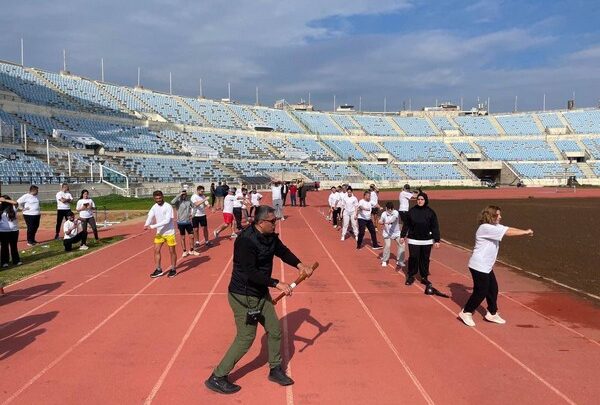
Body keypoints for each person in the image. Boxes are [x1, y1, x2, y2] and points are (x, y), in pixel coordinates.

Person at [205, 205, 315, 394]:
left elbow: (282, 251)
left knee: (274, 330)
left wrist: (299, 265)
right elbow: (250, 272)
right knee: (246, 337)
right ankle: (217, 376)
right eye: (273, 221)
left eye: (276, 220)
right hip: (243, 295)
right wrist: (277, 283)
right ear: (261, 222)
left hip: (260, 293)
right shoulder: (245, 241)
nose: (276, 223)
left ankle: (275, 369)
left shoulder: (270, 236)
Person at [458, 206, 534, 327]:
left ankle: (492, 313)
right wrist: (525, 232)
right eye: (497, 215)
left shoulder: (494, 227)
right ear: (490, 216)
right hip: (479, 265)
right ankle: (466, 312)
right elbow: (508, 233)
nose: (500, 217)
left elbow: (508, 228)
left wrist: (524, 230)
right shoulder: (485, 228)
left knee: (493, 289)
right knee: (481, 291)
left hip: (486, 265)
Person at [400, 191, 440, 286]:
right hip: (414, 240)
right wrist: (402, 236)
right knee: (413, 258)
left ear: (425, 200)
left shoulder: (431, 212)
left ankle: (424, 277)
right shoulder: (412, 211)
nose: (420, 201)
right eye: (418, 199)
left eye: (422, 199)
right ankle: (411, 276)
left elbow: (435, 227)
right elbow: (406, 225)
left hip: (427, 240)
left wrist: (437, 240)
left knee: (425, 259)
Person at [144, 190, 177, 278]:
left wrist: (152, 226)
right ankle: (158, 269)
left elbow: (167, 221)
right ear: (154, 199)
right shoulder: (154, 207)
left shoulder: (168, 206)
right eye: (156, 198)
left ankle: (173, 269)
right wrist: (146, 224)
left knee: (172, 251)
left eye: (159, 198)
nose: (158, 200)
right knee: (156, 250)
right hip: (160, 234)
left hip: (169, 233)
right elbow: (150, 216)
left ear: (162, 197)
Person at [172, 189, 198, 257]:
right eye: (182, 194)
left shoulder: (189, 201)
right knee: (182, 237)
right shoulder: (178, 201)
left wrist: (193, 214)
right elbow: (172, 202)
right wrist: (179, 195)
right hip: (181, 222)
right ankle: (184, 251)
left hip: (188, 222)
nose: (184, 195)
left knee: (191, 236)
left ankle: (192, 250)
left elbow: (195, 207)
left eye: (185, 194)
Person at [379, 202, 403, 268]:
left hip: (396, 233)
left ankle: (399, 260)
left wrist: (389, 222)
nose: (390, 210)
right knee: (387, 245)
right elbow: (380, 221)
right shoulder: (384, 214)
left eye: (391, 209)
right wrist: (381, 222)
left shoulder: (396, 212)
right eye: (388, 209)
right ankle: (384, 260)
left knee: (401, 245)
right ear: (386, 208)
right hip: (387, 233)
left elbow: (394, 219)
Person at [0, 195, 21, 267]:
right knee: (4, 247)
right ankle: (4, 262)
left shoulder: (13, 208)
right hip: (3, 231)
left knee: (13, 246)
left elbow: (15, 202)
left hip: (14, 230)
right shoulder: (1, 209)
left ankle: (16, 260)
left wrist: (5, 200)